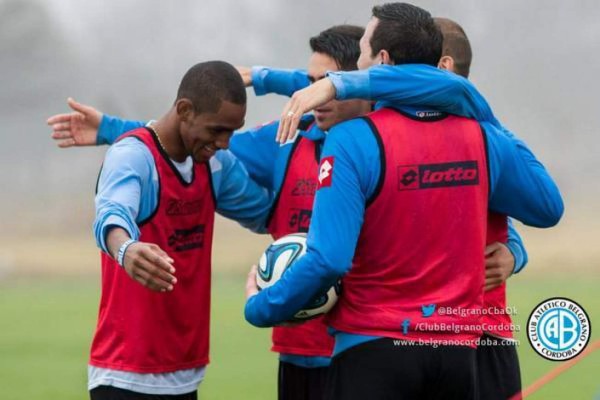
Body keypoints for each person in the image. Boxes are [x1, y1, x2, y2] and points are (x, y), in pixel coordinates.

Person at [244, 3, 563, 400]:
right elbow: (548, 209)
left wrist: (261, 307)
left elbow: (329, 260)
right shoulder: (482, 136)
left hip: (372, 348)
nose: (351, 69)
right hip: (456, 353)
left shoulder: (351, 140)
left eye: (360, 53)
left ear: (381, 60)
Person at [86, 61, 273, 399]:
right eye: (217, 130)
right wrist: (126, 249)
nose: (226, 143)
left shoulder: (214, 164)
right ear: (185, 110)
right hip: (126, 375)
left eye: (232, 131)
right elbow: (111, 214)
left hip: (185, 373)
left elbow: (267, 213)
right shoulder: (133, 156)